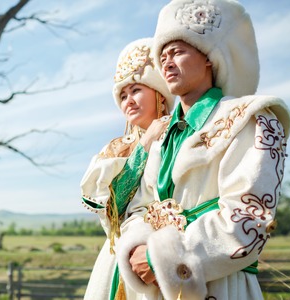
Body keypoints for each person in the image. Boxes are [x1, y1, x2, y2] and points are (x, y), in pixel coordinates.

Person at [116, 0, 290, 299]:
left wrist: (158, 259)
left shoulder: (250, 118)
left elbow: (249, 217)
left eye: (178, 52)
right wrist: (136, 247)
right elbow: (139, 206)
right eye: (163, 56)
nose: (167, 63)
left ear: (209, 57)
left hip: (222, 286)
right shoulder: (160, 136)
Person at [80, 38, 175, 299]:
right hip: (125, 256)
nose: (128, 101)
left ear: (159, 92)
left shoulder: (182, 134)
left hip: (173, 254)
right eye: (122, 95)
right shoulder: (118, 150)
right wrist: (145, 143)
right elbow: (114, 209)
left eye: (136, 91)